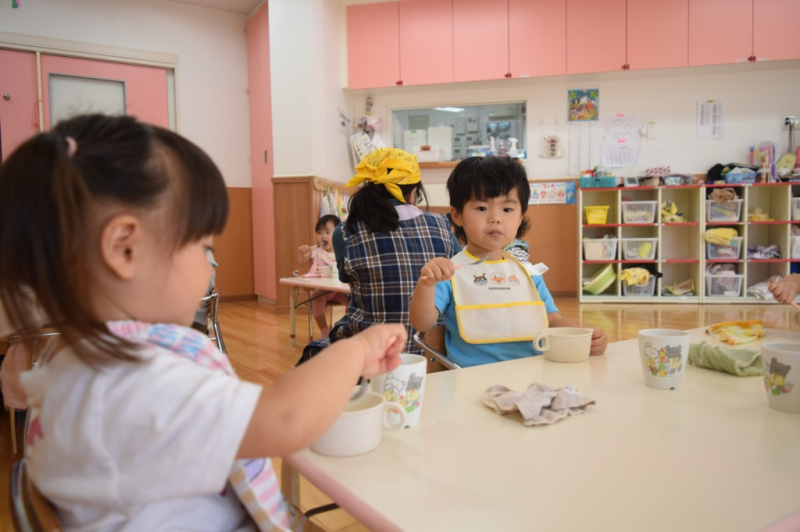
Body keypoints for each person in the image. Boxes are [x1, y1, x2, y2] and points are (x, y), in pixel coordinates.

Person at [0, 114, 406, 531]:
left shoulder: (71, 362)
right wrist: (355, 351)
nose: (210, 266)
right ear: (124, 250)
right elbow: (285, 419)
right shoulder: (138, 378)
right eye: (203, 247)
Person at [410, 155, 608, 368]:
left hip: (533, 372)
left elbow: (552, 319)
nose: (495, 218)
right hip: (472, 378)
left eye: (507, 209)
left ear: (520, 217)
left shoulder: (527, 271)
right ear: (457, 215)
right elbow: (422, 322)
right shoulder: (450, 272)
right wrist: (426, 285)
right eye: (482, 208)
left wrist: (585, 334)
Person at [299, 148, 460, 363]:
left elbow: (345, 277)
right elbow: (460, 271)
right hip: (433, 352)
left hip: (371, 351)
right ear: (413, 193)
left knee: (315, 353)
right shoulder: (443, 225)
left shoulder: (345, 231)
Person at [295, 214, 348, 337]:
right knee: (315, 297)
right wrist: (300, 251)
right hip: (322, 291)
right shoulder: (316, 251)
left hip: (340, 290)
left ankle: (345, 326)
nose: (323, 236)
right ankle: (324, 329)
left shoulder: (343, 251)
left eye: (328, 232)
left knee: (355, 300)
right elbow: (301, 261)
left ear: (338, 234)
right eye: (319, 233)